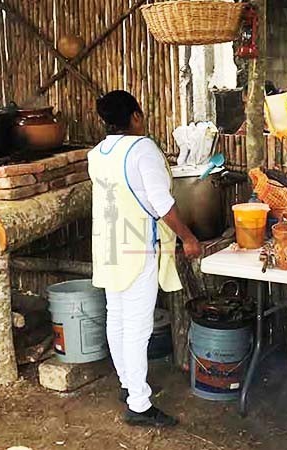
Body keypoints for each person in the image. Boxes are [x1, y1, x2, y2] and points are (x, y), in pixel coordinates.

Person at [88, 90, 202, 427]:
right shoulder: (143, 150)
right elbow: (161, 204)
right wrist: (188, 237)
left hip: (109, 246)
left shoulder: (97, 154)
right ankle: (138, 404)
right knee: (137, 327)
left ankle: (128, 384)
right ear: (135, 116)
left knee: (117, 317)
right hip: (138, 248)